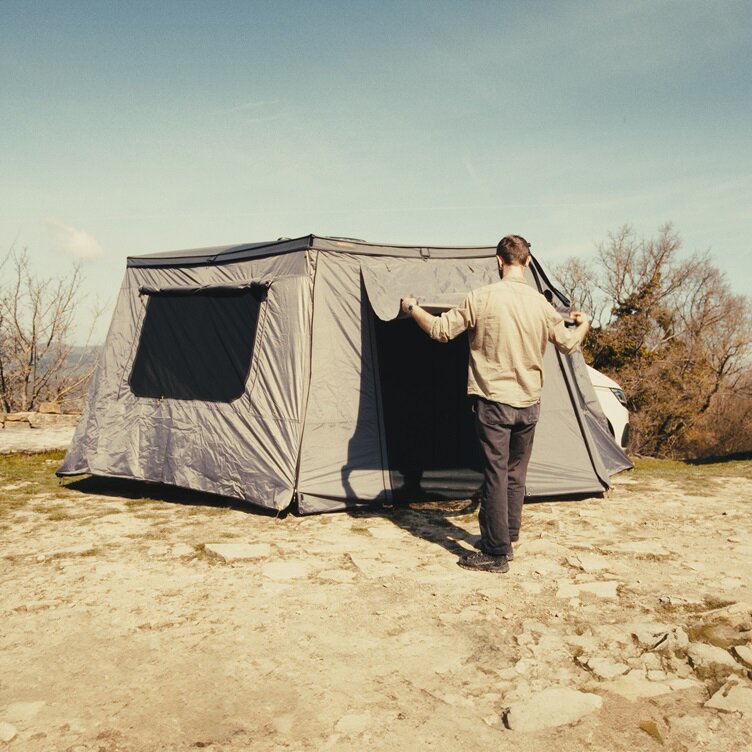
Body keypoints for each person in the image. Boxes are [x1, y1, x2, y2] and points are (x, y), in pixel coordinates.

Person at [400, 235, 590, 573]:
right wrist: (585, 323)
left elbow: (441, 331)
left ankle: (496, 552)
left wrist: (412, 309)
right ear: (527, 262)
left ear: (498, 261)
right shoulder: (541, 305)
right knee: (515, 473)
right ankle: (508, 535)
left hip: (494, 403)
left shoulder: (481, 298)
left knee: (495, 475)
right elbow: (568, 344)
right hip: (529, 404)